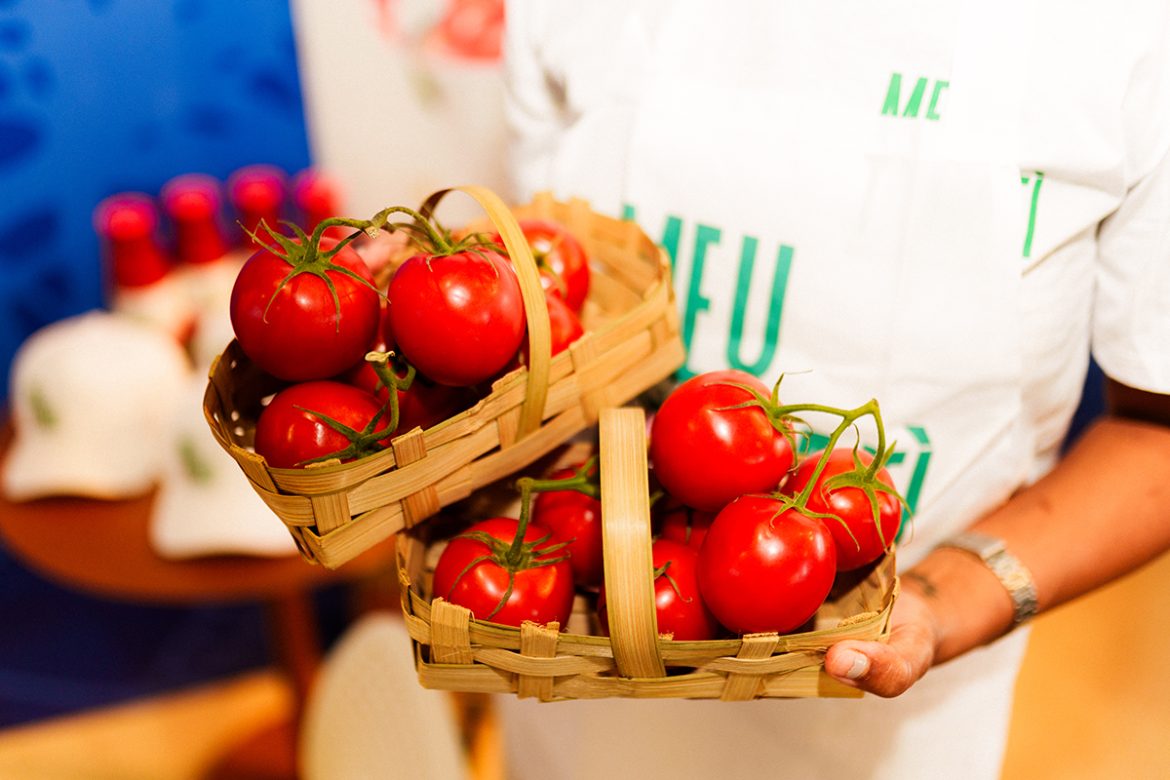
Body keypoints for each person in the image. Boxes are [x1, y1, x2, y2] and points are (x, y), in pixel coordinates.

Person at [494, 1, 1170, 778]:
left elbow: (1158, 430)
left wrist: (941, 602)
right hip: (573, 657)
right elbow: (548, 295)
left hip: (892, 722)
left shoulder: (1130, 31)